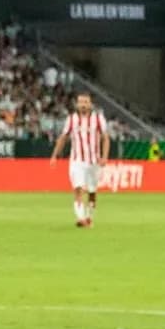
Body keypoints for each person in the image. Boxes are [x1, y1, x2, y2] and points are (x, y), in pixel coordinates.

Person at [50, 93, 110, 228]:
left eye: (86, 102)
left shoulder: (98, 119)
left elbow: (105, 138)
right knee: (78, 188)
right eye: (81, 102)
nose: (83, 105)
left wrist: (105, 156)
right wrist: (55, 155)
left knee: (92, 192)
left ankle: (89, 216)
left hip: (94, 161)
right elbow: (63, 137)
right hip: (77, 160)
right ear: (77, 104)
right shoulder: (71, 119)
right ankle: (81, 218)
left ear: (90, 104)